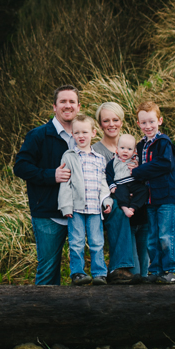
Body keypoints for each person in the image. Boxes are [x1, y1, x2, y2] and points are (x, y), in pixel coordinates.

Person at [14, 85, 80, 285]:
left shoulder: (84, 135)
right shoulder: (38, 135)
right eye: (63, 102)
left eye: (71, 102)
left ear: (78, 106)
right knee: (47, 272)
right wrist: (53, 175)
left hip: (80, 213)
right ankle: (39, 314)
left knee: (84, 272)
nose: (67, 106)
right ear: (54, 106)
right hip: (48, 213)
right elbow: (21, 167)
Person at [131, 101, 175, 284]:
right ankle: (156, 271)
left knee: (166, 236)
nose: (148, 126)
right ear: (138, 124)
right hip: (150, 199)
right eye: (143, 123)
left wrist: (138, 171)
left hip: (166, 197)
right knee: (152, 237)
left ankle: (173, 270)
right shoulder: (140, 146)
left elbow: (164, 164)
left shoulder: (163, 143)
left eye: (151, 121)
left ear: (159, 121)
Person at [57, 114, 112, 286]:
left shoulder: (99, 159)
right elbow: (65, 184)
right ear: (72, 134)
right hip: (76, 209)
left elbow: (103, 183)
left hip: (95, 209)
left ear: (93, 133)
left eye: (85, 132)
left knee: (97, 242)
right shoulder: (69, 156)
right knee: (76, 242)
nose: (81, 136)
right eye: (77, 132)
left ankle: (99, 274)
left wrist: (107, 200)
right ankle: (78, 273)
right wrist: (66, 206)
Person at [92, 102, 138, 284]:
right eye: (106, 120)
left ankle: (153, 268)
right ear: (100, 124)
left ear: (121, 121)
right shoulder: (95, 150)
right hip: (106, 202)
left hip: (133, 198)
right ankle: (119, 267)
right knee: (119, 205)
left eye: (115, 120)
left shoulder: (132, 147)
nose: (111, 124)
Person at [105, 133, 150, 279]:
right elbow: (108, 176)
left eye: (129, 149)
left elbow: (145, 178)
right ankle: (125, 207)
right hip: (122, 191)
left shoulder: (137, 161)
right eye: (122, 148)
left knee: (143, 190)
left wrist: (139, 169)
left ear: (134, 151)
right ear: (117, 149)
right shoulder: (113, 162)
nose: (125, 151)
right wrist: (112, 187)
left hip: (140, 211)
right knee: (120, 191)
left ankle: (144, 276)